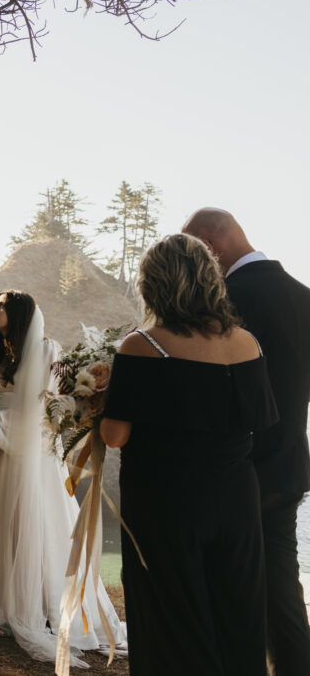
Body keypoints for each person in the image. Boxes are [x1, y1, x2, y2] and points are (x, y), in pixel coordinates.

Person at [101, 234, 278, 676]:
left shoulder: (141, 346)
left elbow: (115, 437)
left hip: (167, 503)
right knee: (236, 612)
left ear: (154, 285)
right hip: (236, 500)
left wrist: (100, 405)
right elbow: (255, 425)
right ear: (210, 279)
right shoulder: (248, 345)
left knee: (173, 618)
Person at [183, 208, 310, 675]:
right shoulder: (303, 295)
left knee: (229, 594)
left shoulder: (226, 301)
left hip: (235, 472)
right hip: (289, 466)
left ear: (211, 249)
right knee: (282, 593)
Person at [0, 290, 126, 667]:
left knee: (39, 526)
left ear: (20, 313)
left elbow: (43, 411)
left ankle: (42, 610)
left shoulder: (47, 350)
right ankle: (6, 606)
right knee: (3, 527)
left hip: (33, 455)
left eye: (1, 306)